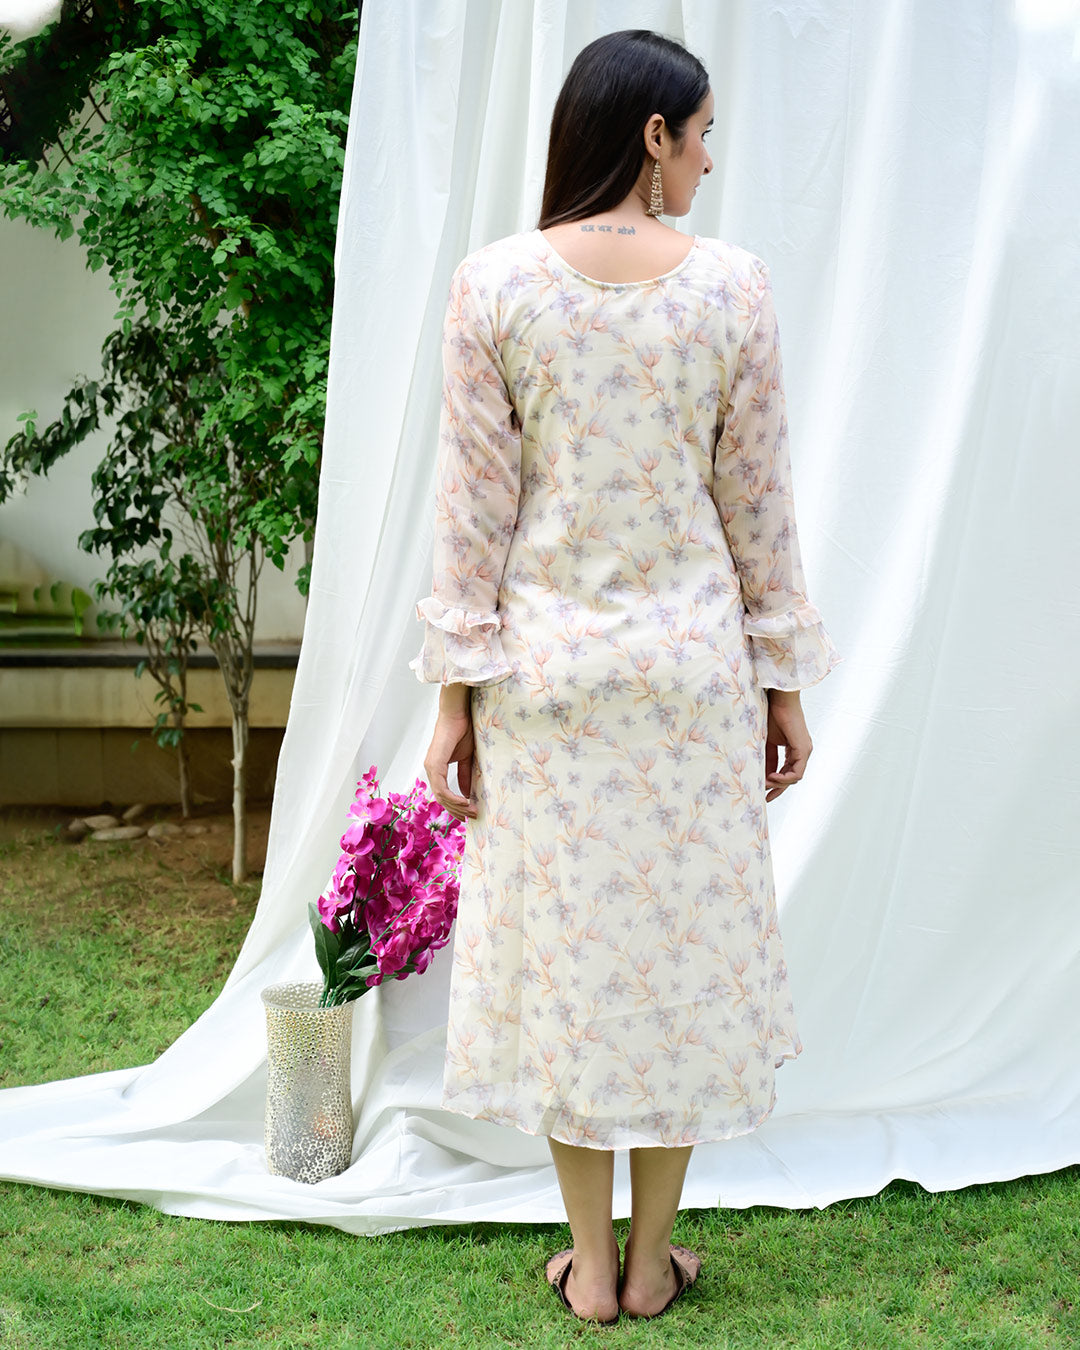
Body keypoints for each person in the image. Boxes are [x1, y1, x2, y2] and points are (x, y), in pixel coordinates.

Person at [409, 28, 842, 1325]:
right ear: (651, 134)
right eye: (700, 134)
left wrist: (451, 698)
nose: (710, 159)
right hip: (690, 680)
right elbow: (756, 504)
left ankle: (589, 1265)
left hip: (547, 685)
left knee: (569, 971)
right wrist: (781, 683)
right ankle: (654, 1260)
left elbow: (472, 515)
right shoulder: (732, 291)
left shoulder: (495, 286)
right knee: (675, 966)